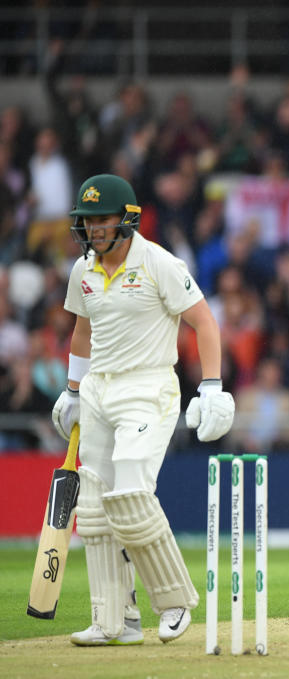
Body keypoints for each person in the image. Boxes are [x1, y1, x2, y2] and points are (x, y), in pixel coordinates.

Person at [51, 174, 235, 646]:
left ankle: (173, 602)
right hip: (97, 392)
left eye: (101, 220)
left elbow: (204, 321)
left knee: (131, 490)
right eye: (86, 222)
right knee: (93, 509)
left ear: (127, 220)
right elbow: (81, 333)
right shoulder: (83, 270)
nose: (92, 230)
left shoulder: (159, 263)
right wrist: (72, 391)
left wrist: (211, 387)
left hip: (148, 387)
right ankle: (115, 620)